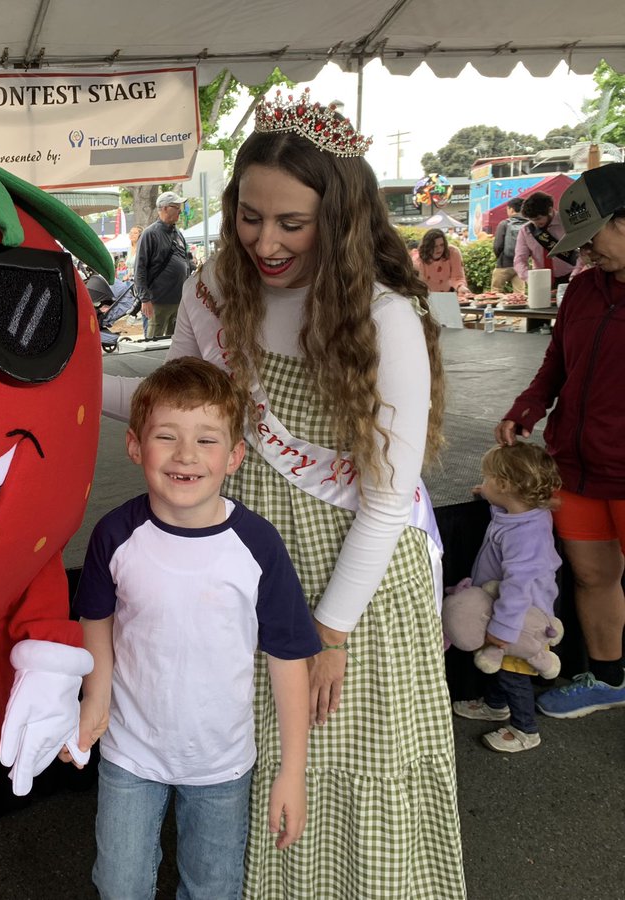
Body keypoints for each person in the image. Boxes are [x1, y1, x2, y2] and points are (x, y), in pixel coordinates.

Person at [101, 89, 465, 898]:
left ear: (337, 217)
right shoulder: (211, 289)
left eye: (291, 224)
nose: (264, 241)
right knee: (263, 772)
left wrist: (327, 634)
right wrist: (66, 384)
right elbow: (177, 402)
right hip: (248, 563)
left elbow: (383, 500)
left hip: (351, 588)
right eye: (249, 216)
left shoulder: (382, 316)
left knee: (350, 773)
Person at [71, 356, 318, 900]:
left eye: (207, 441)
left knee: (212, 888)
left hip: (221, 762)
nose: (186, 455)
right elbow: (97, 617)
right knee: (119, 884)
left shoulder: (258, 547)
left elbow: (287, 659)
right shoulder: (114, 536)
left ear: (234, 457)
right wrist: (96, 699)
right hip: (130, 751)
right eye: (167, 436)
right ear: (135, 446)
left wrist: (292, 772)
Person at [496, 162, 625, 719]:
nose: (585, 253)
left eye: (592, 237)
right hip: (572, 466)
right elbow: (557, 364)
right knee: (594, 575)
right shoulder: (582, 290)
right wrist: (528, 406)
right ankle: (607, 677)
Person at [450, 443, 562, 753]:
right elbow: (507, 512)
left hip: (522, 619)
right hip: (504, 610)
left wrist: (503, 630)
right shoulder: (522, 512)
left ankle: (525, 728)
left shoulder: (525, 535)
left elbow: (518, 587)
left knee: (514, 672)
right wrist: (488, 495)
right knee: (501, 667)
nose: (482, 481)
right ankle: (496, 705)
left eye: (486, 478)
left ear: (505, 486)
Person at [133, 191, 189, 340]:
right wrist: (145, 299)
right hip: (157, 301)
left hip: (178, 300)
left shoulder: (178, 234)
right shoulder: (150, 234)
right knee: (153, 341)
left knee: (176, 343)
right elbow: (140, 268)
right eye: (176, 207)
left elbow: (186, 261)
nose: (180, 210)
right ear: (164, 208)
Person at [514, 191, 582, 286]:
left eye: (538, 219)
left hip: (571, 277)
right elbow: (519, 260)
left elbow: (583, 254)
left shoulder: (568, 224)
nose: (535, 223)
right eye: (531, 220)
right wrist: (529, 278)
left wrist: (575, 275)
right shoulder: (526, 231)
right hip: (540, 280)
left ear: (550, 210)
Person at [414, 228, 471, 296]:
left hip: (450, 294)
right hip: (429, 296)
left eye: (442, 245)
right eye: (435, 246)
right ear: (427, 247)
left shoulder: (453, 252)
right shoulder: (418, 258)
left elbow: (457, 277)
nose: (439, 249)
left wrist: (460, 287)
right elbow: (419, 283)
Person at [490, 197, 527, 293]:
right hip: (521, 265)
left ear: (511, 209)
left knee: (496, 292)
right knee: (520, 295)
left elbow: (497, 246)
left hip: (504, 264)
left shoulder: (504, 224)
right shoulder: (528, 225)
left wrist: (500, 257)